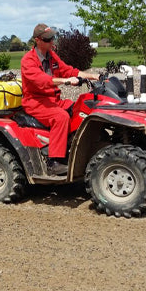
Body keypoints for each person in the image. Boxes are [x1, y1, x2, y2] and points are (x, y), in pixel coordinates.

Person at [20, 23, 100, 176]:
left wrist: (93, 76)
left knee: (80, 107)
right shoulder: (28, 61)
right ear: (37, 40)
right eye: (48, 39)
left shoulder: (51, 55)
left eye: (53, 38)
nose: (52, 42)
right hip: (35, 103)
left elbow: (68, 70)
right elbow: (43, 80)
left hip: (53, 100)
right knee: (61, 117)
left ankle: (73, 148)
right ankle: (54, 162)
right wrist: (65, 81)